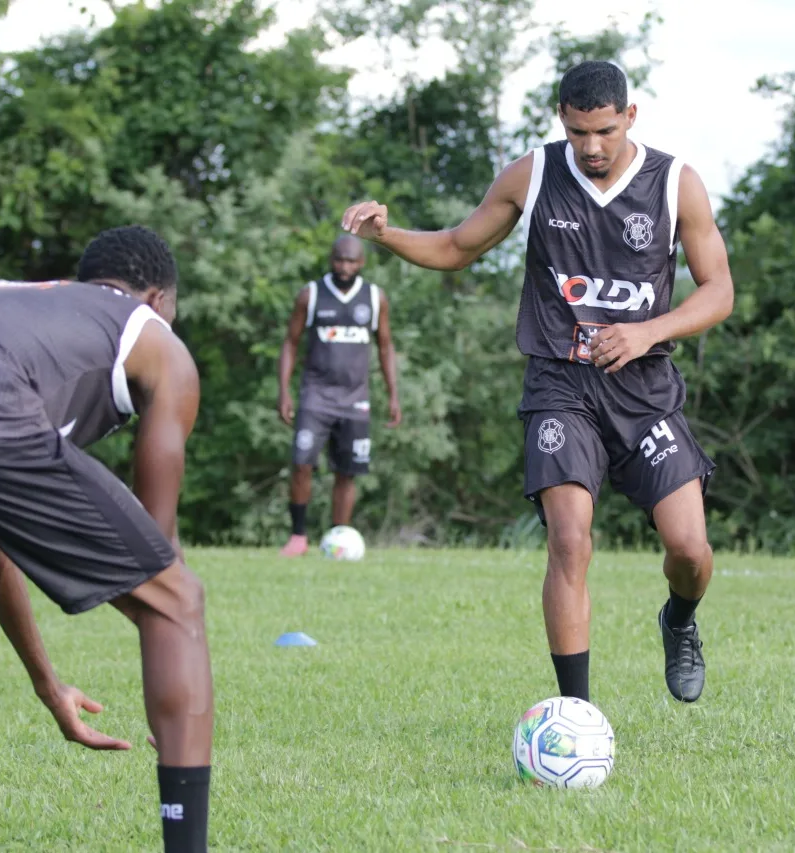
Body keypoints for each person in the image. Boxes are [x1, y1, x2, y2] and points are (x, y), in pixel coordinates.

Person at [341, 60, 734, 703]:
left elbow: (719, 292)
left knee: (690, 549)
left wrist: (647, 331)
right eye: (579, 132)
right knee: (570, 540)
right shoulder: (537, 172)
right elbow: (455, 247)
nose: (592, 147)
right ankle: (574, 713)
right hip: (560, 385)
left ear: (630, 117)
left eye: (605, 131)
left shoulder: (674, 184)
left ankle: (680, 620)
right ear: (562, 120)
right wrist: (387, 235)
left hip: (643, 388)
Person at [0, 226, 212, 852]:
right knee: (178, 602)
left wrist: (48, 683)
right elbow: (158, 552)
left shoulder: (23, 317)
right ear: (155, 299)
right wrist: (172, 690)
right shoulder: (156, 341)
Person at [277, 235, 401, 555]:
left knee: (348, 472)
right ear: (331, 260)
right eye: (339, 260)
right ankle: (298, 536)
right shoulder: (312, 294)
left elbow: (386, 347)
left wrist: (393, 395)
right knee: (302, 462)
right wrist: (284, 392)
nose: (345, 267)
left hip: (355, 397)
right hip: (315, 395)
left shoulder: (375, 298)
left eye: (351, 261)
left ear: (362, 263)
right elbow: (290, 343)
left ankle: (337, 539)